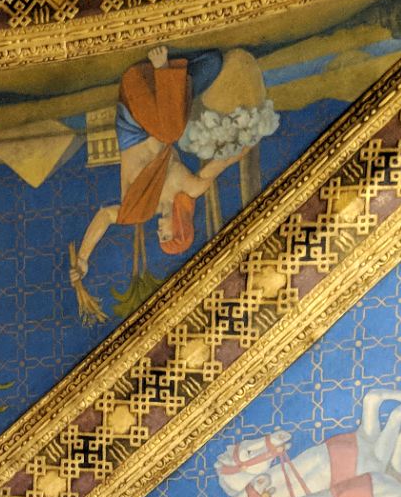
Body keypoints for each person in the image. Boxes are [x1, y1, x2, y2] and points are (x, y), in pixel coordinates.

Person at [69, 47, 278, 320]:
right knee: (213, 64)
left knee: (170, 132)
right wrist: (251, 137)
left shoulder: (143, 209)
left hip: (134, 109)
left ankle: (163, 70)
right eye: (166, 236)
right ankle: (168, 75)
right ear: (180, 229)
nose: (159, 232)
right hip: (162, 104)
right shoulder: (192, 187)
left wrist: (83, 259)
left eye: (160, 238)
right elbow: (225, 160)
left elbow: (106, 216)